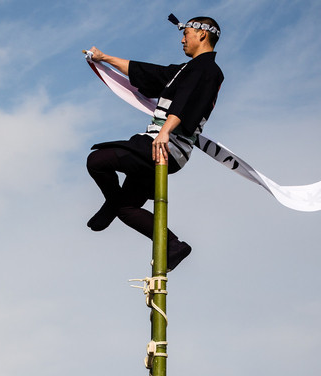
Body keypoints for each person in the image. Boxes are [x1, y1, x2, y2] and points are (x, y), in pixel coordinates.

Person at [86, 14, 224, 271]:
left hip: (164, 145)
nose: (182, 40)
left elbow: (189, 101)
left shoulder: (207, 70)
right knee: (127, 209)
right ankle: (174, 245)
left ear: (202, 34)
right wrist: (105, 58)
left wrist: (165, 131)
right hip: (161, 145)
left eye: (186, 34)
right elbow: (145, 73)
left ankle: (111, 202)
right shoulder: (185, 70)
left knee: (97, 160)